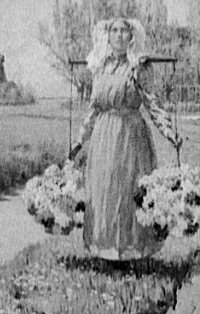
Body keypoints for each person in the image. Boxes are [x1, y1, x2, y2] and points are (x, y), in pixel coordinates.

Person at [69, 18, 182, 260]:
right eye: (115, 31)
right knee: (105, 190)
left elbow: (152, 103)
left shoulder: (137, 67)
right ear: (107, 36)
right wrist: (80, 140)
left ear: (131, 36)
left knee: (129, 191)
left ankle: (132, 251)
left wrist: (169, 131)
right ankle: (106, 251)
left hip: (131, 136)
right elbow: (93, 108)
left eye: (124, 31)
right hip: (103, 138)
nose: (119, 36)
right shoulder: (100, 67)